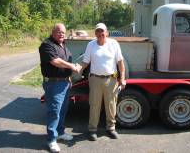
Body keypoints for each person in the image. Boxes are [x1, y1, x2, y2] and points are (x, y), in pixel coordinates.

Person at [80, 23, 126, 141]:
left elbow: (120, 63)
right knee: (94, 105)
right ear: (95, 33)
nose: (100, 34)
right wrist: (76, 71)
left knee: (111, 105)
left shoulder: (114, 43)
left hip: (111, 79)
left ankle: (111, 128)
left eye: (102, 32)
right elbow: (85, 62)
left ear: (107, 33)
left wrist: (122, 78)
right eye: (98, 32)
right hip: (95, 79)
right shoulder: (91, 45)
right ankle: (92, 130)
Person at [39, 23, 81, 152]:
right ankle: (52, 139)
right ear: (52, 32)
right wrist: (72, 66)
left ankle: (60, 132)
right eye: (58, 31)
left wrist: (70, 76)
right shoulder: (47, 45)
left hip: (64, 83)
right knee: (54, 111)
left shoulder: (63, 45)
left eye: (63, 32)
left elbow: (64, 63)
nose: (61, 34)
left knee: (63, 110)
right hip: (53, 83)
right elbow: (55, 61)